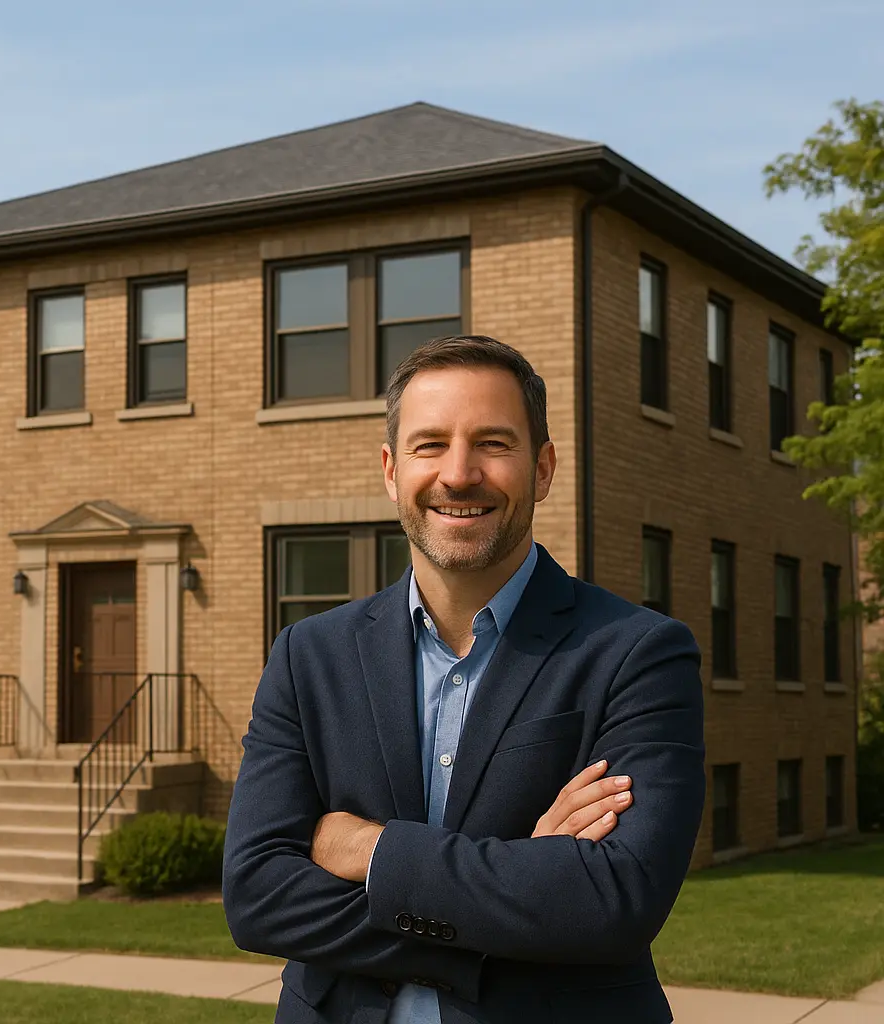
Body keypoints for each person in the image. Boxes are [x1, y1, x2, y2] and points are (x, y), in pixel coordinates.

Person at [222, 335, 705, 1024]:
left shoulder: (637, 653)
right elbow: (257, 896)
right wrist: (518, 886)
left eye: (492, 444)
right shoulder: (309, 656)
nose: (458, 473)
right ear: (391, 471)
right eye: (430, 445)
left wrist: (369, 849)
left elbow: (615, 900)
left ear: (542, 469)